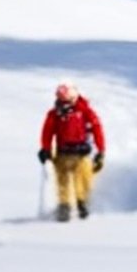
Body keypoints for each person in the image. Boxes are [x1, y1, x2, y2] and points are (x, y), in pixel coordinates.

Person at [38, 81, 105, 221]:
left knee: (82, 179)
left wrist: (101, 151)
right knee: (62, 180)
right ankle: (64, 205)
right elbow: (47, 132)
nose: (63, 105)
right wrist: (45, 148)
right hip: (62, 153)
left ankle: (82, 203)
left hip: (82, 154)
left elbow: (97, 130)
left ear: (74, 98)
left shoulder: (86, 112)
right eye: (60, 101)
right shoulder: (54, 114)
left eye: (66, 101)